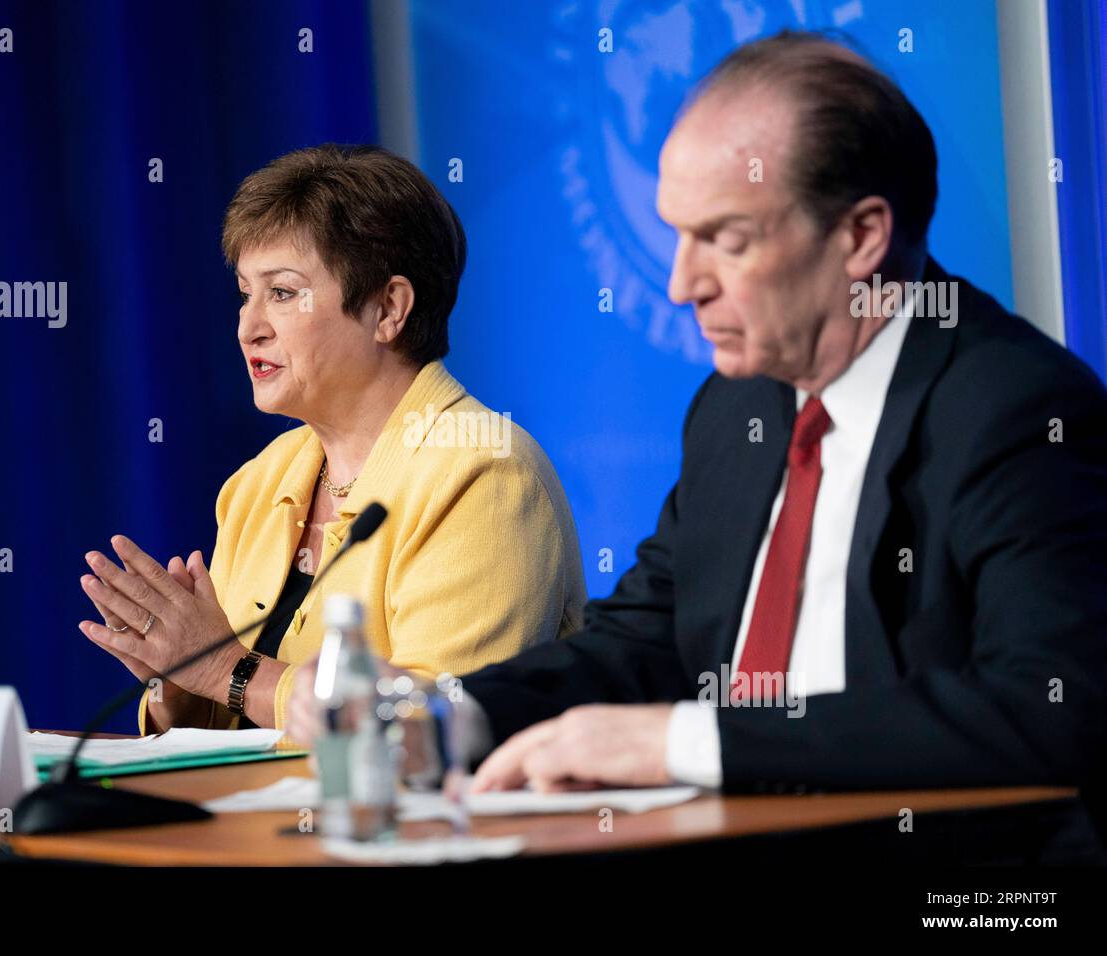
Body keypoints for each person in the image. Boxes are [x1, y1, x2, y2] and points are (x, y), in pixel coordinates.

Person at [291, 32, 1107, 806]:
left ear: (861, 236)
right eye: (679, 236)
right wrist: (442, 718)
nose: (684, 285)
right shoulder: (738, 409)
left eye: (725, 240)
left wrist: (684, 743)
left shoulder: (1016, 410)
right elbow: (642, 641)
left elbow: (1046, 707)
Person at [76, 144, 586, 734]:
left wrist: (224, 669)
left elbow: (430, 731)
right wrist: (177, 679)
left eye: (284, 293)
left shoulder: (485, 473)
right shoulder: (259, 482)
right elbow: (225, 726)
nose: (248, 327)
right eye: (245, 293)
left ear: (387, 308)